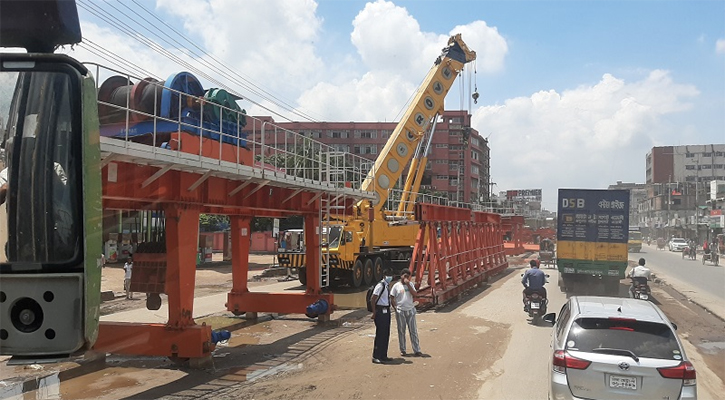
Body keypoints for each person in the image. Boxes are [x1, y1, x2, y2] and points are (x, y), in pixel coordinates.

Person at [390, 268, 422, 357]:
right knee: (401, 331)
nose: (406, 278)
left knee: (413, 331)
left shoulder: (410, 284)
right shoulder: (396, 286)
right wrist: (395, 307)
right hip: (401, 311)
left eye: (408, 276)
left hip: (410, 310)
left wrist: (408, 284)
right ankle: (403, 350)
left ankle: (417, 349)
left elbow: (415, 294)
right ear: (401, 276)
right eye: (405, 276)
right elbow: (392, 297)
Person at [370, 268, 393, 364]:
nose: (390, 277)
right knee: (380, 334)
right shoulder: (380, 285)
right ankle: (376, 356)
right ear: (384, 276)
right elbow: (373, 299)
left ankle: (383, 355)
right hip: (380, 311)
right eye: (388, 275)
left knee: (386, 334)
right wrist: (374, 312)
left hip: (386, 311)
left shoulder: (387, 286)